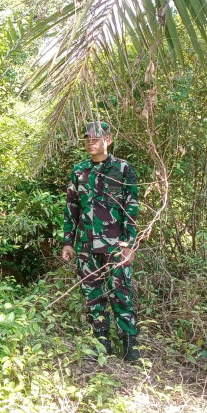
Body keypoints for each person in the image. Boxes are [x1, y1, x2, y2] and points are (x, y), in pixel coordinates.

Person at [61, 121, 141, 361]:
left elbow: (131, 208)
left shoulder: (123, 169)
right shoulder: (79, 171)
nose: (91, 142)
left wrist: (129, 244)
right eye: (87, 138)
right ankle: (102, 344)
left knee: (122, 294)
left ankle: (129, 345)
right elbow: (71, 208)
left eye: (96, 138)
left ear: (108, 140)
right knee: (94, 297)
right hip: (86, 247)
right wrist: (67, 241)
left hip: (116, 246)